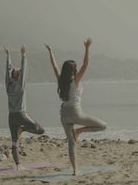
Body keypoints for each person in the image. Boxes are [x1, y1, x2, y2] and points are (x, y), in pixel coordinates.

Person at [44, 38, 107, 176]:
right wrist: (87, 47)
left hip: (63, 115)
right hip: (75, 113)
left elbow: (54, 66)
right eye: (76, 68)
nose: (78, 69)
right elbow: (86, 64)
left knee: (71, 144)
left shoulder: (61, 80)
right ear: (74, 70)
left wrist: (51, 51)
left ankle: (75, 170)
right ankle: (79, 131)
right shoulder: (76, 80)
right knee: (103, 125)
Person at [4, 45, 45, 170]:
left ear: (12, 76)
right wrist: (23, 55)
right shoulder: (21, 86)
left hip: (11, 117)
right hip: (21, 116)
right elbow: (25, 69)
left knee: (15, 142)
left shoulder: (8, 84)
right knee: (40, 130)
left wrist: (8, 56)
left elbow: (8, 70)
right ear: (20, 77)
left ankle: (18, 165)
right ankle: (23, 130)